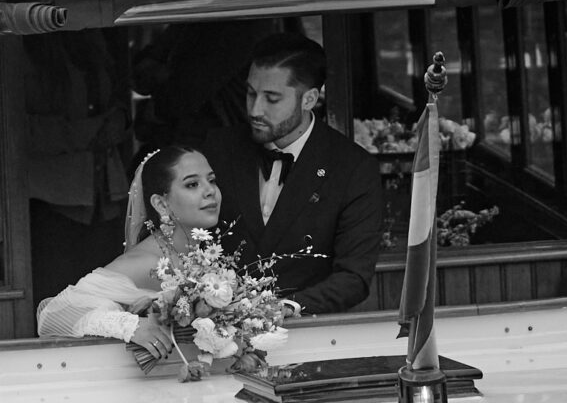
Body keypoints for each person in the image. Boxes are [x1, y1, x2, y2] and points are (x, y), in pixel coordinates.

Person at [193, 33, 383, 316]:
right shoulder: (218, 149)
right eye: (250, 93)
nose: (255, 109)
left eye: (272, 98)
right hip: (214, 328)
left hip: (306, 334)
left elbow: (354, 277)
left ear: (309, 99)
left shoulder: (353, 168)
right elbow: (187, 234)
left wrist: (287, 307)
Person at [34, 145, 224, 360]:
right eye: (192, 184)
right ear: (161, 204)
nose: (210, 191)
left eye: (212, 180)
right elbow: (54, 314)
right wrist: (130, 326)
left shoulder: (201, 256)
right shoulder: (146, 263)